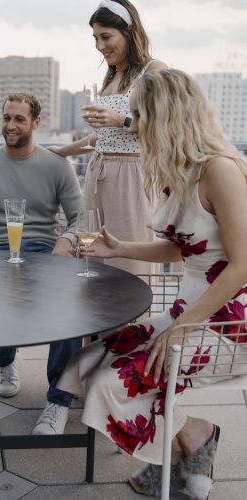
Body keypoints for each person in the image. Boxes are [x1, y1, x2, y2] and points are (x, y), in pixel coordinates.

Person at [57, 69, 247, 498]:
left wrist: (183, 327)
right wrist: (119, 248)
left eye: (141, 115)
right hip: (190, 313)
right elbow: (185, 248)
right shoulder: (176, 169)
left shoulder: (221, 170)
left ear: (168, 116)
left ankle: (182, 451)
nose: (135, 125)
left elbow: (241, 265)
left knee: (114, 383)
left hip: (231, 325)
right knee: (86, 364)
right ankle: (192, 439)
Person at [0, 92, 82, 435]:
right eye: (7, 118)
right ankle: (4, 358)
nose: (10, 125)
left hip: (44, 251)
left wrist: (66, 241)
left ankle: (58, 401)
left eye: (19, 119)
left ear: (36, 123)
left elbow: (79, 218)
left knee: (70, 309)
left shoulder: (57, 166)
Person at [50, 0, 167, 274]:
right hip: (97, 173)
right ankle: (100, 315)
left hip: (131, 177)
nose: (100, 46)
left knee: (129, 259)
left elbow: (165, 126)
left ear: (128, 31)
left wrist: (120, 119)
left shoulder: (154, 70)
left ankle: (135, 316)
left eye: (106, 36)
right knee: (94, 256)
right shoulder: (111, 76)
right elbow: (102, 138)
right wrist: (64, 151)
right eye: (95, 38)